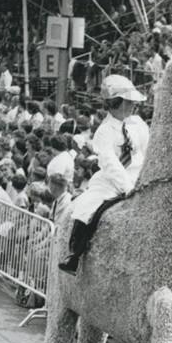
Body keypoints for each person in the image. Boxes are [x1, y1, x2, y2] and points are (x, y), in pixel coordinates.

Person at [59, 74, 149, 273]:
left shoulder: (137, 125)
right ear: (117, 103)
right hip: (111, 181)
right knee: (87, 207)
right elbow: (110, 163)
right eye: (129, 102)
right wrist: (128, 188)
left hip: (138, 176)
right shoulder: (104, 131)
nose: (134, 105)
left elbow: (144, 152)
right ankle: (75, 253)